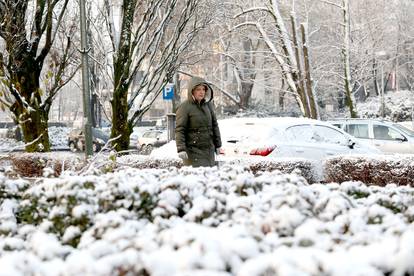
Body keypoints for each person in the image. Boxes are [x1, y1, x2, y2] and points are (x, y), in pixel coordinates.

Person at [175, 76, 221, 167]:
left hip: (209, 151)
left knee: (208, 179)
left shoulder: (208, 106)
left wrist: (218, 144)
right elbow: (180, 129)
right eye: (198, 89)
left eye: (203, 89)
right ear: (192, 91)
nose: (201, 92)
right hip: (193, 151)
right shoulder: (185, 107)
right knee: (196, 179)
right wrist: (181, 148)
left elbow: (214, 125)